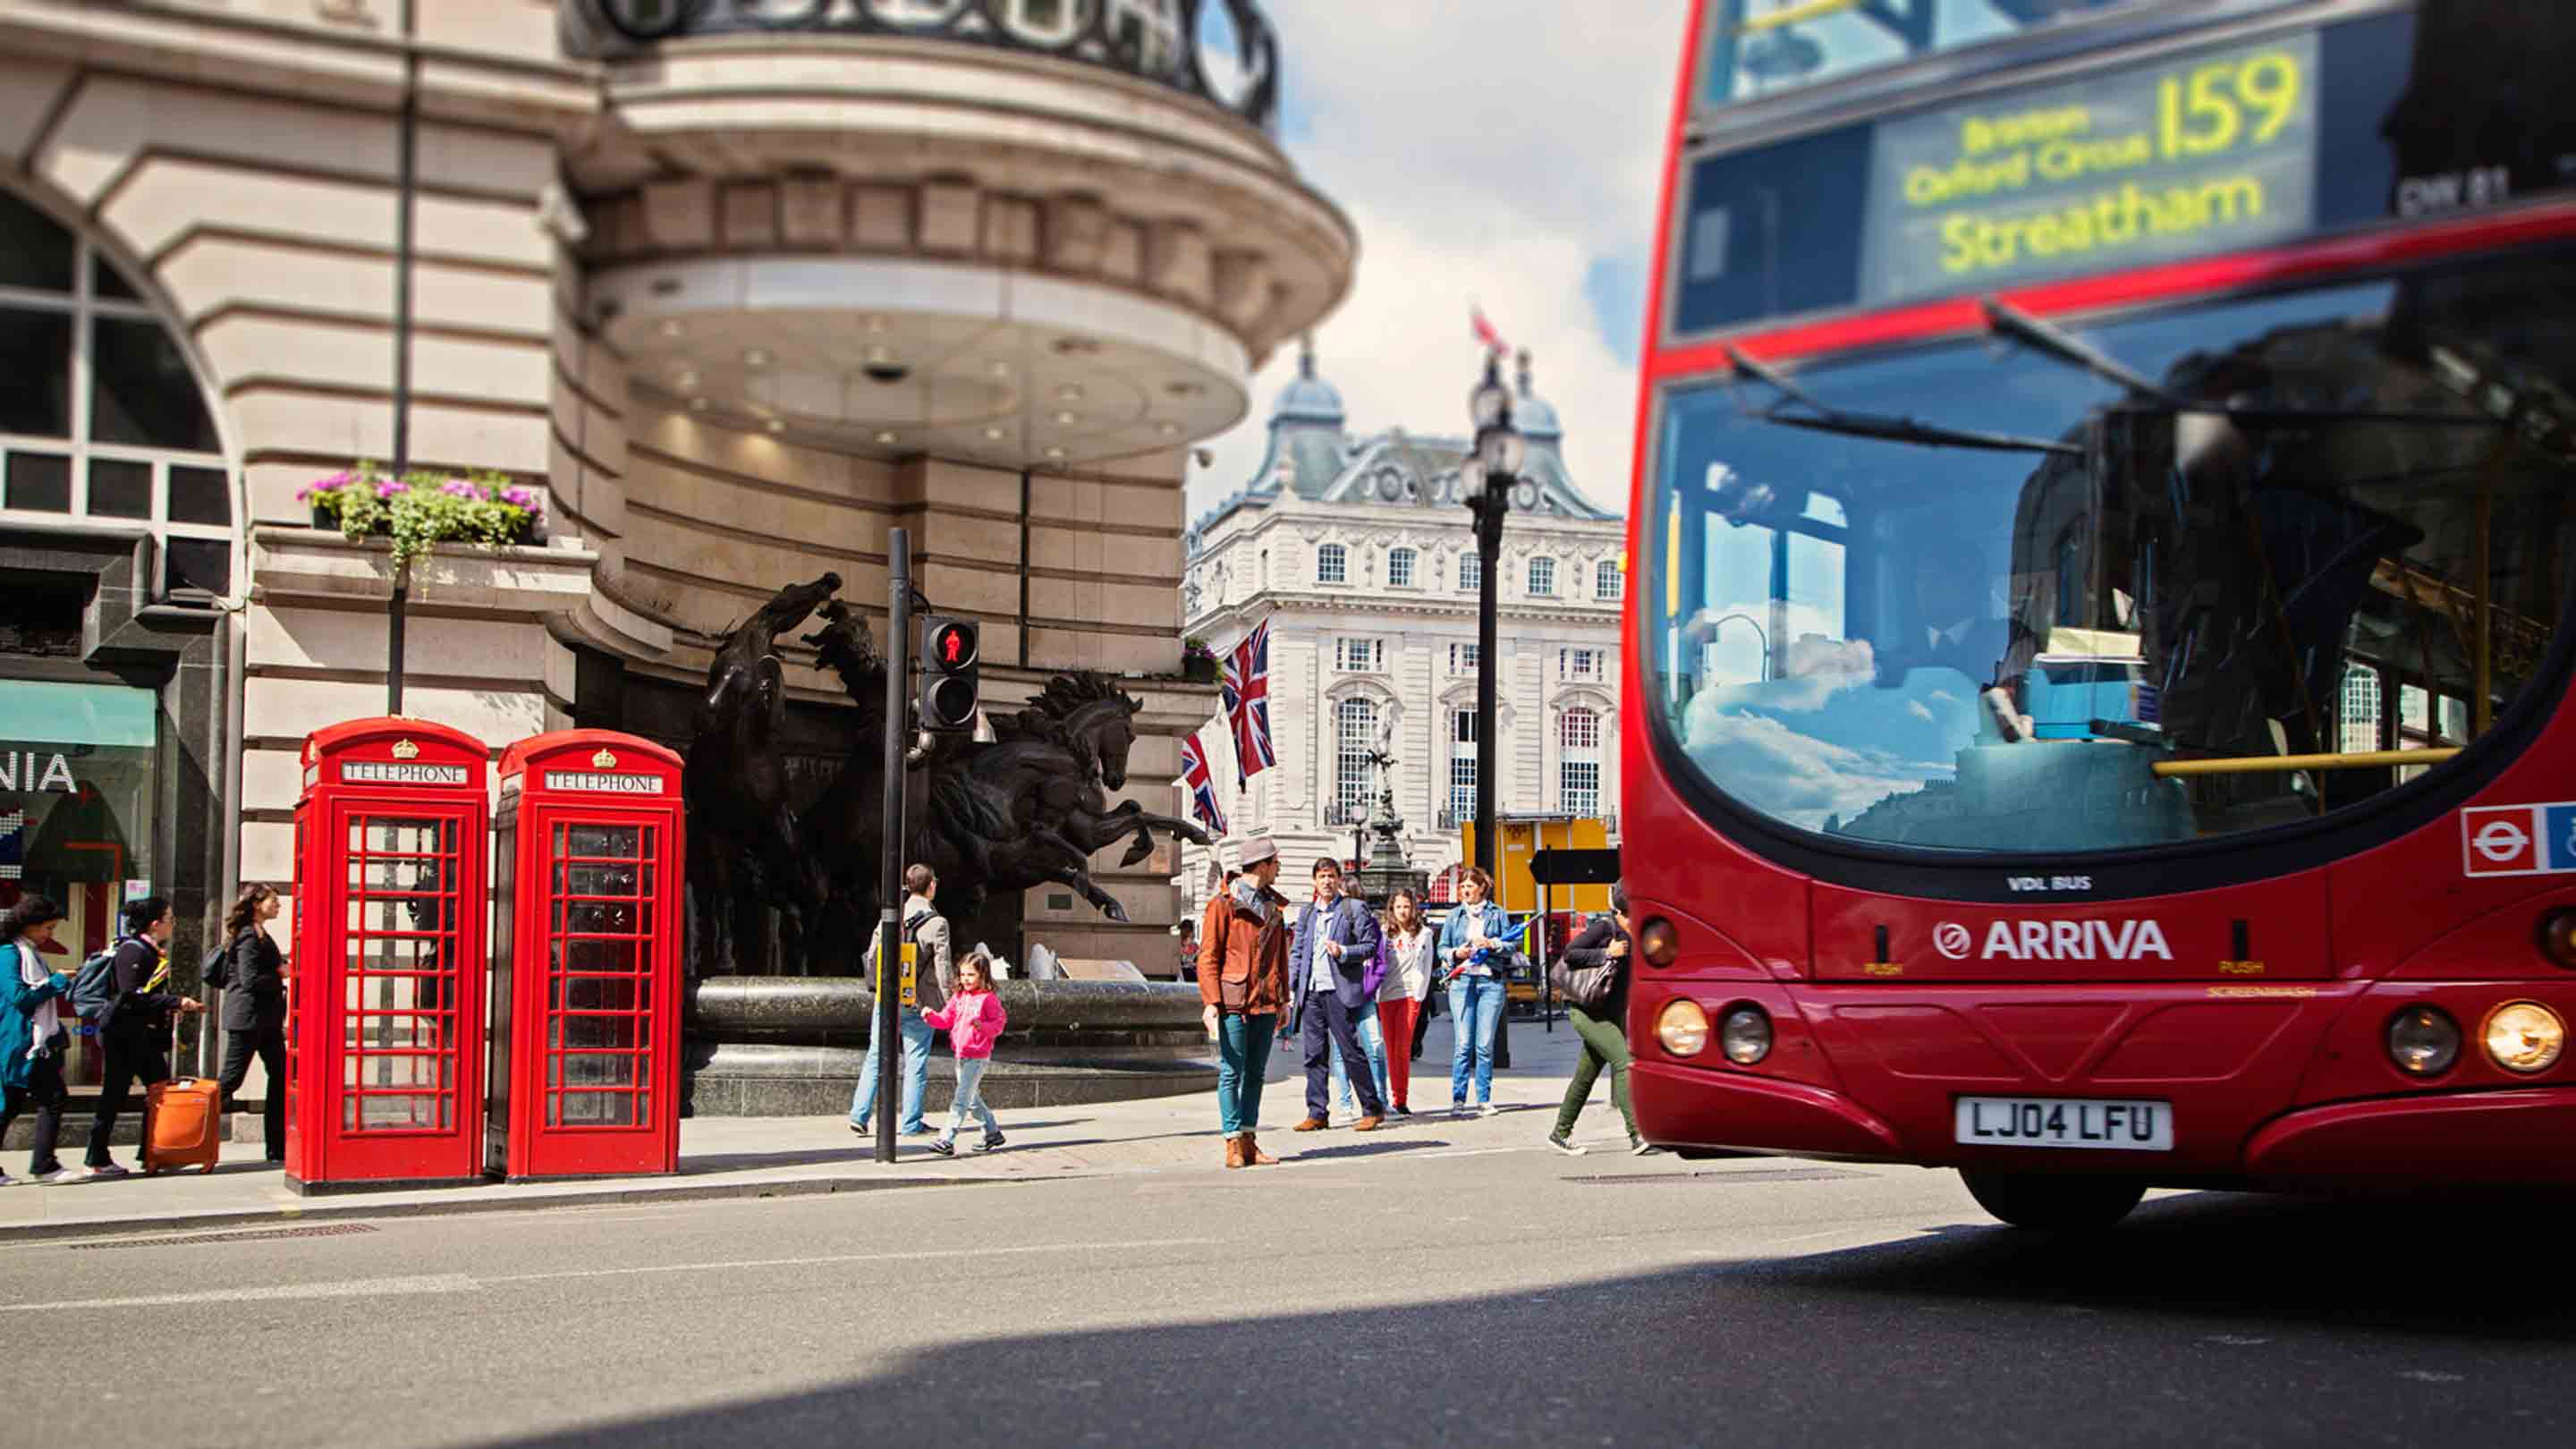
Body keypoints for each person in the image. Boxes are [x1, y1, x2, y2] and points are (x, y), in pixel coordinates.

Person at [84, 895, 204, 1177]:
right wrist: (176, 1002)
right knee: (115, 1095)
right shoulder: (133, 951)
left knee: (159, 1093)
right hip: (124, 1035)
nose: (173, 925)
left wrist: (170, 1006)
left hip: (142, 1036)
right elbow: (131, 996)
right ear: (154, 924)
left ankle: (151, 1151)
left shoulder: (150, 951)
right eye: (170, 919)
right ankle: (97, 1157)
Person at [1546, 886, 1657, 1157]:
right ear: (1619, 911)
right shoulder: (1604, 929)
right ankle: (1636, 1134)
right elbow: (1570, 953)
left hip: (1612, 1013)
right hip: (1587, 1011)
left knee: (1586, 1075)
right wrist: (1606, 953)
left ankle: (1560, 1133)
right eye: (1630, 914)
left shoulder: (1640, 933)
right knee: (1623, 1062)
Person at [1199, 844, 1292, 1167]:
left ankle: (1249, 1141)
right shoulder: (1223, 905)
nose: (1279, 867)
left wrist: (1284, 999)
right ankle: (1232, 1142)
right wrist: (1211, 1001)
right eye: (1275, 862)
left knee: (1256, 1073)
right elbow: (1208, 956)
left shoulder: (1274, 908)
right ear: (1262, 866)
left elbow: (1281, 957)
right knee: (1231, 1071)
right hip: (1233, 1000)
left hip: (1266, 1000)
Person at [852, 864, 953, 1151]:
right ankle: (911, 1122)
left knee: (875, 1055)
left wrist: (877, 988)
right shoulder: (938, 924)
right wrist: (951, 1005)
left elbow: (872, 956)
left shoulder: (888, 918)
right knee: (916, 1061)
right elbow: (943, 970)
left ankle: (859, 1115)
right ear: (931, 885)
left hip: (887, 998)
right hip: (919, 1003)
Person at [1289, 857, 1384, 1133]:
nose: (1327, 881)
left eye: (1331, 876)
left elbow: (1370, 946)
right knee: (1314, 1054)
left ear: (1339, 879)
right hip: (1312, 991)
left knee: (1350, 1051)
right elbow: (1297, 951)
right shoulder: (1307, 913)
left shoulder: (1353, 908)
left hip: (1339, 989)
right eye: (1321, 877)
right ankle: (1317, 1112)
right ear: (1314, 881)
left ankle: (1371, 1108)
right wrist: (1294, 985)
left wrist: (1344, 952)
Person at [0, 895, 78, 1185]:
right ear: (29, 926)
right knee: (49, 1097)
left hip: (28, 1041)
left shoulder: (27, 952)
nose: (50, 935)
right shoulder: (10, 953)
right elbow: (20, 997)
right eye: (47, 928)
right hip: (19, 1041)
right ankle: (44, 1165)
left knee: (13, 1103)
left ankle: (44, 1163)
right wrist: (56, 981)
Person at [216, 883, 291, 1164]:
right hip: (248, 1019)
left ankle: (276, 1147)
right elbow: (248, 980)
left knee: (281, 1077)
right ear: (258, 903)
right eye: (274, 900)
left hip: (266, 1020)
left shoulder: (259, 932)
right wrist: (281, 974)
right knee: (229, 1083)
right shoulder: (248, 934)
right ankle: (188, 1130)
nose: (279, 905)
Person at [1438, 867, 1512, 1116]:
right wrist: (1456, 954)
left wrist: (1493, 944)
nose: (1465, 890)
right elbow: (1442, 948)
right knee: (1463, 1044)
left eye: (1470, 886)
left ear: (1482, 888)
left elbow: (1512, 945)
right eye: (1462, 886)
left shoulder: (1498, 914)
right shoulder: (1454, 916)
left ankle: (1484, 1099)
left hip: (1490, 983)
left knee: (1484, 1044)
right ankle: (1458, 1100)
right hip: (1462, 983)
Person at [923, 949, 1007, 1157]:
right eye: (963, 974)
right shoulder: (959, 997)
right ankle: (992, 1132)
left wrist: (982, 1027)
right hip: (961, 1054)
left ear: (982, 975)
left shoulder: (988, 999)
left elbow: (999, 1025)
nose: (966, 979)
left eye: (971, 975)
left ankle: (946, 1139)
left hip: (977, 1056)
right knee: (970, 1099)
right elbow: (946, 1019)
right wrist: (930, 1017)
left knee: (961, 1100)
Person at [1374, 888, 1436, 1116]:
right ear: (1392, 909)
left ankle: (1401, 1098)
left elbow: (1427, 966)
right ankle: (1390, 1096)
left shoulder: (1423, 934)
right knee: (1390, 1048)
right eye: (1398, 906)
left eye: (1407, 906)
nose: (1402, 911)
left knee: (1403, 1047)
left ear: (1413, 909)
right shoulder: (1383, 933)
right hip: (1387, 995)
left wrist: (1420, 994)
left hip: (1410, 994)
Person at [1326, 903, 1389, 1122]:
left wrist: (1369, 985)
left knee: (1375, 1045)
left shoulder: (1370, 926)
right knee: (1342, 1051)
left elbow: (1379, 961)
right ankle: (1346, 1104)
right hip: (1342, 993)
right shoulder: (1332, 924)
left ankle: (1381, 1099)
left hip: (1365, 993)